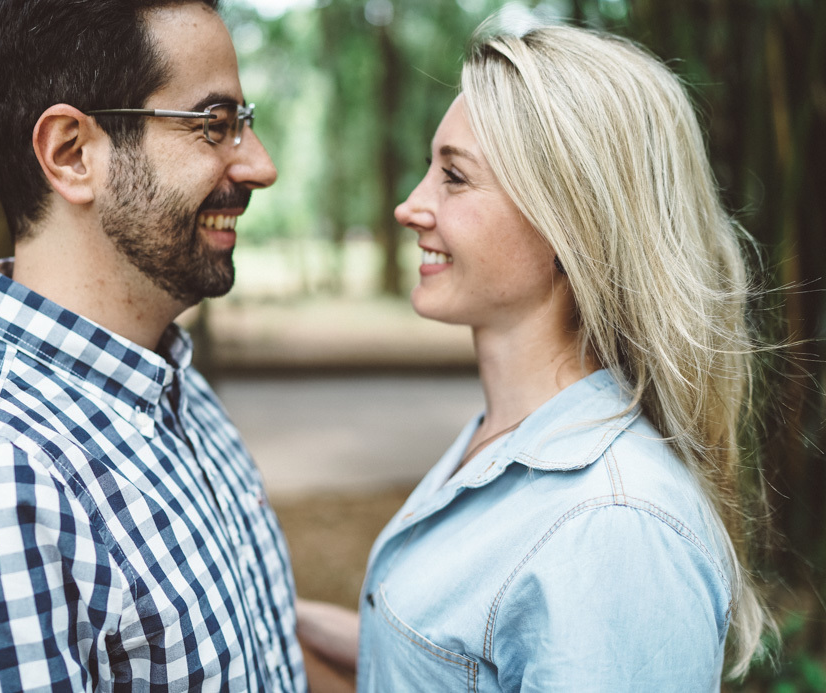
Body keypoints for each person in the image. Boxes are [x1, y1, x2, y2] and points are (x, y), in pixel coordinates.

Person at [0, 0, 307, 690]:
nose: (259, 165)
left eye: (242, 126)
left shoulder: (170, 386)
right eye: (214, 126)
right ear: (72, 153)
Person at [297, 18, 771, 692]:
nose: (410, 206)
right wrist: (268, 620)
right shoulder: (507, 440)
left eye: (454, 178)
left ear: (566, 224)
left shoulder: (613, 530)